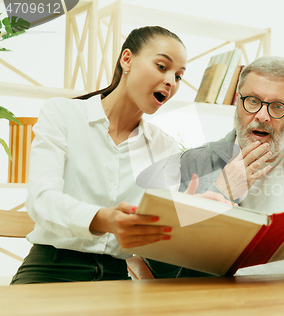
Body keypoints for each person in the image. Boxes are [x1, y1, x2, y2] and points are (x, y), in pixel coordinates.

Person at [11, 26, 225, 284]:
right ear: (127, 60)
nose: (171, 81)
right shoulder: (62, 114)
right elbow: (42, 201)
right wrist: (103, 219)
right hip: (50, 269)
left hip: (115, 276)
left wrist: (189, 210)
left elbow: (155, 225)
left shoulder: (163, 146)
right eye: (161, 66)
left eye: (179, 76)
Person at [144, 56, 284, 278]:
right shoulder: (194, 163)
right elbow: (160, 265)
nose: (262, 116)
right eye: (253, 101)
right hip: (217, 305)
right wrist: (221, 191)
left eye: (277, 107)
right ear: (237, 101)